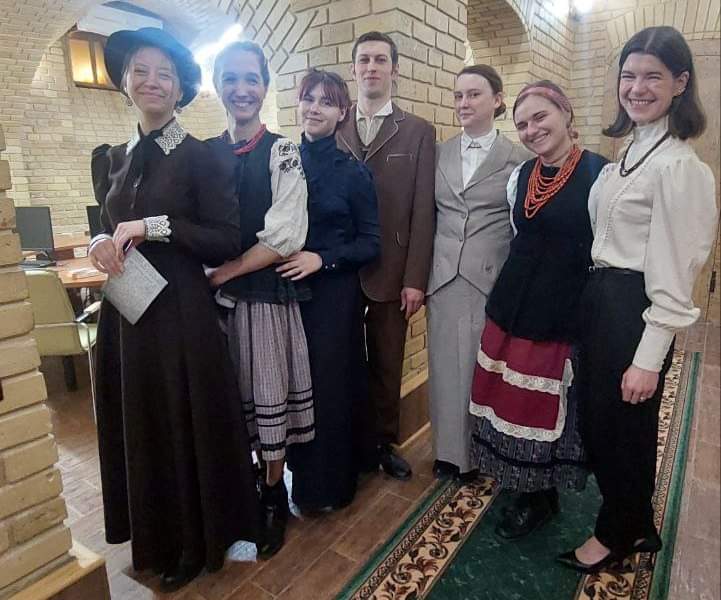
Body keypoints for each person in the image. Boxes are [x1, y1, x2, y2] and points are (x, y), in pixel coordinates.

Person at [87, 28, 259, 592]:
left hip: (181, 315)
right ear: (125, 83)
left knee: (183, 422)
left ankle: (192, 542)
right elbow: (105, 224)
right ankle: (155, 535)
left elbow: (226, 239)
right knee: (144, 422)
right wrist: (99, 241)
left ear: (181, 87)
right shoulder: (112, 158)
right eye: (140, 70)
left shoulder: (201, 156)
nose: (152, 81)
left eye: (164, 73)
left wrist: (153, 226)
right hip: (127, 314)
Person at [558, 26, 717, 573]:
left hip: (634, 307)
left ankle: (616, 535)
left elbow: (677, 271)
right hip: (602, 299)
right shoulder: (630, 152)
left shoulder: (680, 167)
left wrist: (649, 357)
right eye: (629, 75)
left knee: (623, 429)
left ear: (681, 82)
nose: (637, 88)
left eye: (653, 76)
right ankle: (637, 523)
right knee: (604, 424)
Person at [468, 81, 608, 540]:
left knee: (542, 407)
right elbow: (518, 233)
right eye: (523, 124)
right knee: (508, 400)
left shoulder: (600, 175)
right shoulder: (521, 175)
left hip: (561, 311)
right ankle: (521, 484)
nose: (532, 130)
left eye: (540, 117)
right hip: (514, 304)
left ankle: (541, 496)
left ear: (565, 113)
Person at [205, 41, 313, 559]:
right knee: (230, 402)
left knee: (268, 403)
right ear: (217, 86)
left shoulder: (282, 150)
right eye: (230, 78)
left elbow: (286, 234)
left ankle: (272, 495)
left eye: (251, 79)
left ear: (265, 87)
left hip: (263, 299)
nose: (241, 89)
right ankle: (244, 486)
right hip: (211, 305)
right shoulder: (205, 151)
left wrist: (225, 272)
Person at [336, 31, 436, 480]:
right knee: (341, 360)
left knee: (387, 361)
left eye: (380, 60)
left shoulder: (417, 131)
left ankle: (383, 443)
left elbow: (423, 211)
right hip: (339, 269)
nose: (371, 67)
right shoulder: (334, 125)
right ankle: (348, 443)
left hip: (392, 269)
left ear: (395, 69)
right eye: (364, 60)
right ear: (353, 69)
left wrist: (415, 278)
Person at [283, 69, 380, 512]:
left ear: (343, 113)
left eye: (327, 102)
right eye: (309, 99)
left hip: (333, 297)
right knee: (291, 386)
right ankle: (296, 479)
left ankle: (331, 486)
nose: (315, 108)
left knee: (328, 388)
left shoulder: (353, 173)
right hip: (285, 293)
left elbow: (371, 243)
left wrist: (323, 259)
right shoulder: (280, 162)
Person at [427, 65, 531, 481]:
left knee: (479, 369)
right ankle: (447, 452)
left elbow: (522, 225)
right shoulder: (439, 153)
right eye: (458, 96)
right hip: (442, 277)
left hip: (488, 278)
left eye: (473, 94)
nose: (464, 103)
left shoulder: (518, 158)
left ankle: (478, 454)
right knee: (443, 370)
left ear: (497, 100)